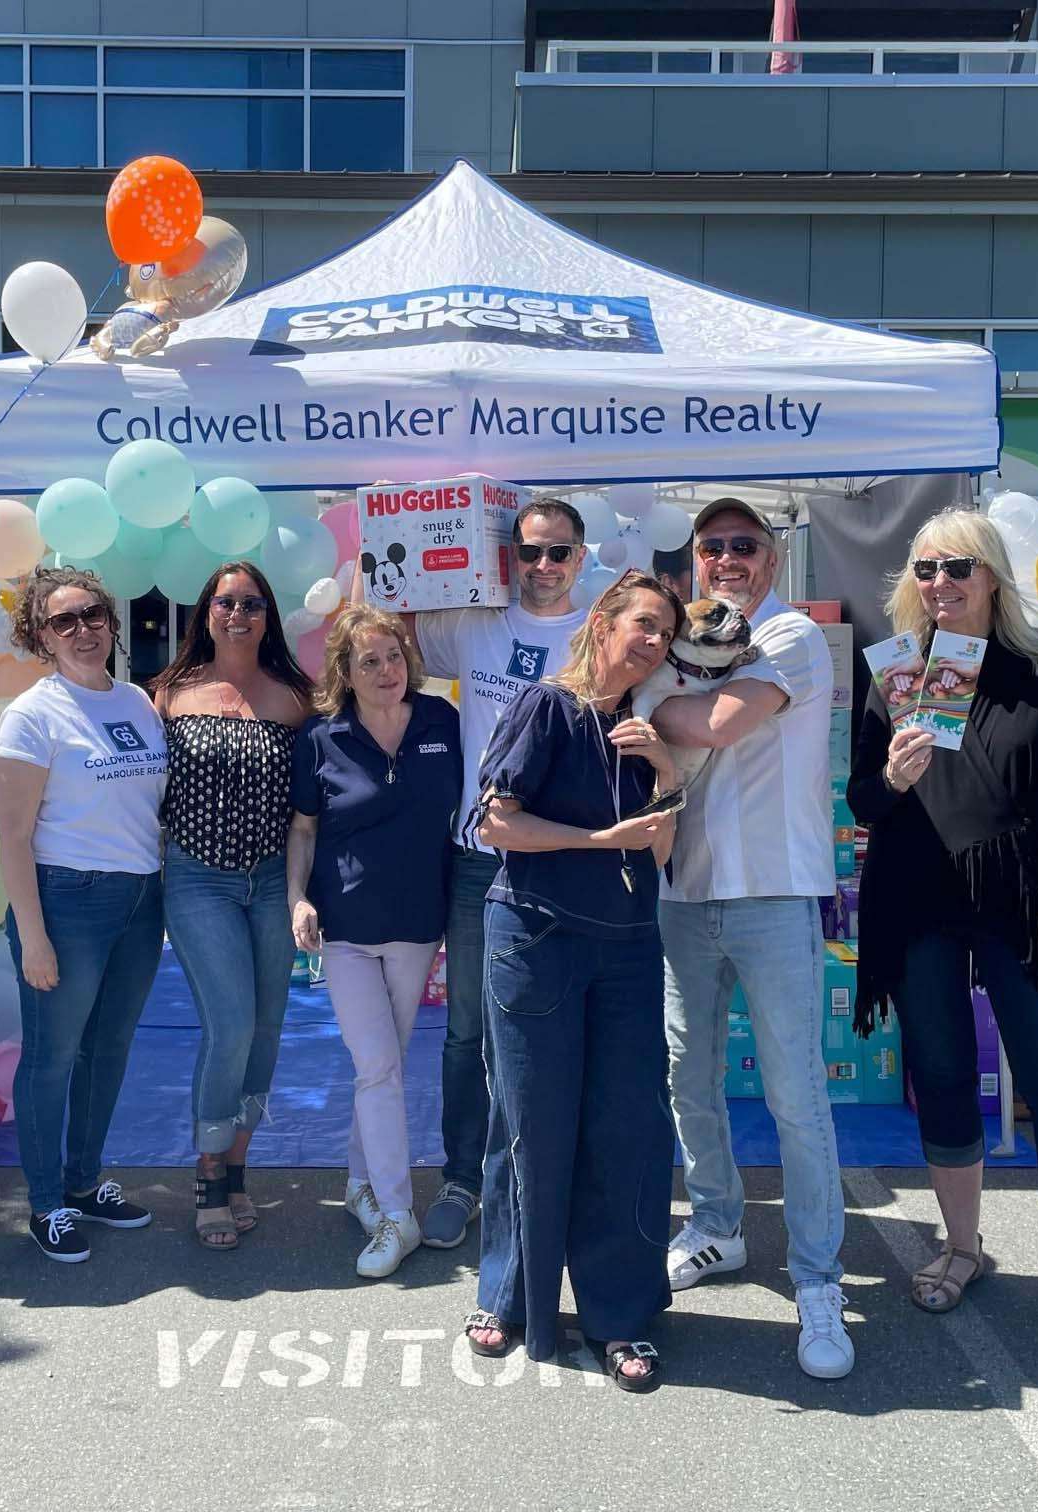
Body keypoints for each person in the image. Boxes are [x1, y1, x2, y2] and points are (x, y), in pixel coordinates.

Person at [849, 507, 1038, 1388]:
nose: (938, 585)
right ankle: (962, 1247)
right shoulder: (901, 670)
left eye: (956, 569)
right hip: (920, 899)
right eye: (925, 571)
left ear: (991, 575)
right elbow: (865, 799)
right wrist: (893, 778)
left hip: (1024, 904)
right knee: (941, 1073)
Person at [648, 497, 854, 1380]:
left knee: (796, 1095)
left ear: (772, 560)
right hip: (686, 893)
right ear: (695, 561)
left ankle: (818, 1280)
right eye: (712, 547)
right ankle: (717, 1226)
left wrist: (657, 699)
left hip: (774, 894)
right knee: (687, 1076)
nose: (727, 559)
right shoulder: (687, 646)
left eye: (743, 546)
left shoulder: (793, 639)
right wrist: (660, 694)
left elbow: (717, 725)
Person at [463, 571, 685, 1393]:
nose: (655, 642)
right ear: (603, 622)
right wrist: (603, 839)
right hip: (537, 939)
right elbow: (496, 824)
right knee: (532, 1123)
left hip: (627, 947)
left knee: (627, 1131)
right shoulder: (544, 707)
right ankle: (509, 1297)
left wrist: (665, 771)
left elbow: (662, 852)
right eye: (644, 625)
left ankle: (619, 1316)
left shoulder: (640, 728)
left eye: (665, 632)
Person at [409, 496, 588, 1250]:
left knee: (567, 1026)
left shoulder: (600, 633)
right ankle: (463, 1176)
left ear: (580, 555)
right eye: (530, 552)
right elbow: (392, 629)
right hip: (481, 863)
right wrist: (392, 538)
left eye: (557, 553)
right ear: (509, 555)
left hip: (571, 861)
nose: (542, 567)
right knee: (468, 1034)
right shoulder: (477, 623)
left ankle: (557, 1178)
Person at [0, 568, 168, 1263]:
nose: (83, 630)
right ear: (41, 636)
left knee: (109, 1050)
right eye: (64, 621)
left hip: (138, 898)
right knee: (53, 1057)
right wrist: (32, 935)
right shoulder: (34, 714)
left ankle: (86, 1181)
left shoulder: (135, 702)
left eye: (93, 613)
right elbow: (11, 837)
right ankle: (45, 1203)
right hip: (67, 901)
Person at [286, 606, 461, 1279]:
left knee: (384, 1065)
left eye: (393, 656)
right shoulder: (322, 737)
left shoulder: (441, 722)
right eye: (369, 661)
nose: (386, 671)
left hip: (419, 925)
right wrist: (298, 897)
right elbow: (303, 828)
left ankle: (359, 1182)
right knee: (378, 1068)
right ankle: (396, 1213)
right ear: (345, 672)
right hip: (348, 931)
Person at [152, 560, 313, 1251]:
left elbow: (313, 805)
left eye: (252, 602)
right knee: (232, 1024)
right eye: (226, 602)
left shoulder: (296, 698)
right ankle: (209, 1167)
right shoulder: (167, 694)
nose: (239, 613)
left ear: (268, 614)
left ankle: (239, 1163)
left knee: (269, 1028)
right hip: (197, 881)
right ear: (206, 613)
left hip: (272, 881)